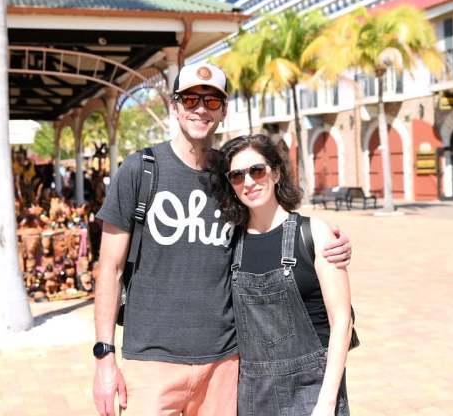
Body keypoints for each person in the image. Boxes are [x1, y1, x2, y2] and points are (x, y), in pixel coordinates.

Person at [92, 62, 352, 416]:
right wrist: (104, 356)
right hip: (152, 362)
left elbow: (274, 227)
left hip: (226, 365)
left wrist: (326, 241)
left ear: (223, 110)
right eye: (190, 99)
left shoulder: (231, 176)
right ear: (175, 106)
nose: (200, 108)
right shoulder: (140, 170)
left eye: (212, 101)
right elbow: (109, 268)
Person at [213, 134, 352, 415]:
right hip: (252, 396)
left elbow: (342, 321)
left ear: (275, 173)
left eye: (257, 170)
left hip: (312, 391)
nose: (248, 182)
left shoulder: (314, 233)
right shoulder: (229, 244)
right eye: (237, 175)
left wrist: (326, 401)